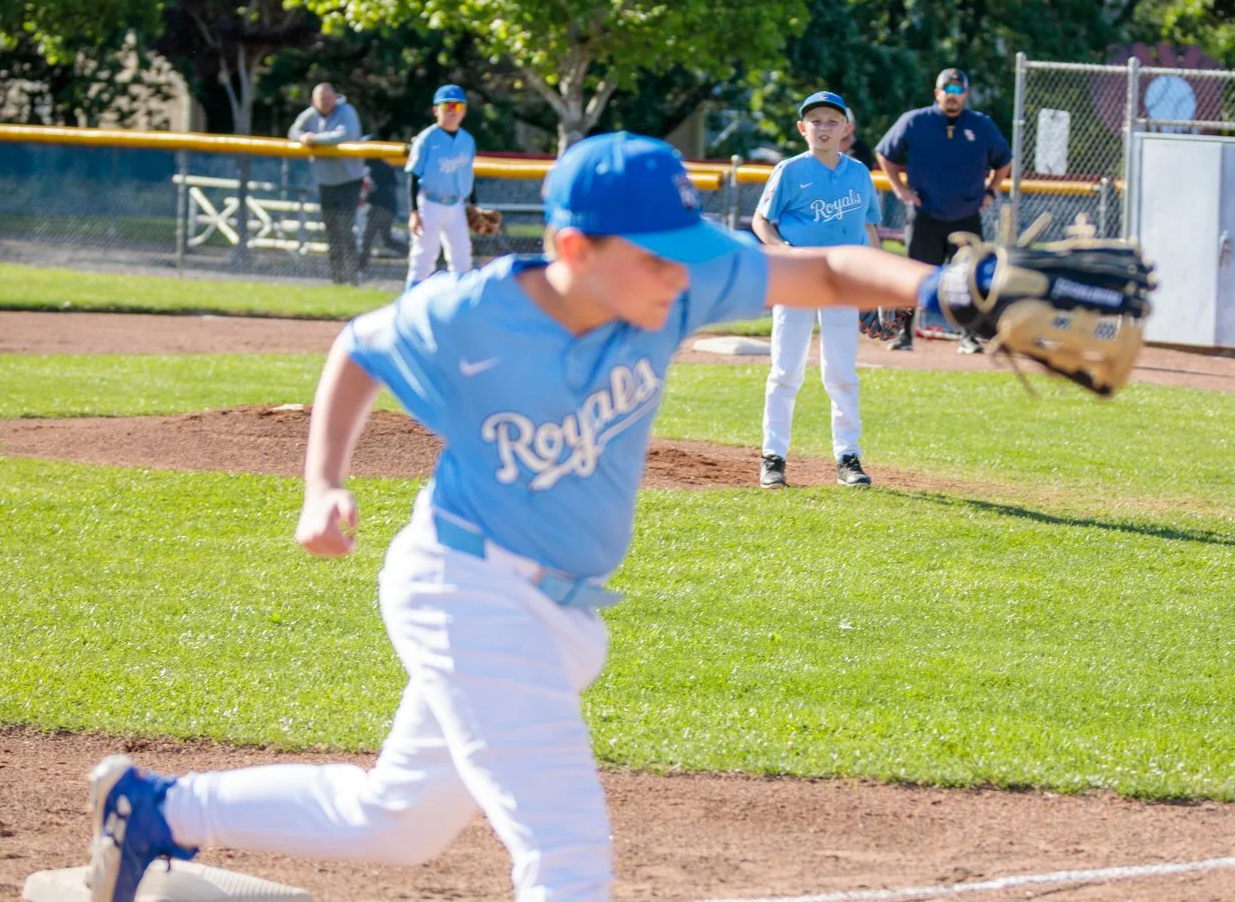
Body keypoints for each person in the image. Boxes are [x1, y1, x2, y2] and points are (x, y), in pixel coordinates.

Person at [80, 132, 965, 902]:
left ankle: (153, 810)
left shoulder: (671, 285)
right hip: (466, 590)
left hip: (553, 609)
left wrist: (950, 288)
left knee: (395, 823)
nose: (679, 271)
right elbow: (359, 346)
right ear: (575, 247)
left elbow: (827, 267)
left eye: (684, 249)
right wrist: (323, 484)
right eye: (656, 254)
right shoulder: (474, 314)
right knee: (567, 856)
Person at [753, 91, 882, 490]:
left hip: (841, 279)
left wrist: (878, 285)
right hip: (798, 278)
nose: (823, 128)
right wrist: (782, 251)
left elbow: (870, 229)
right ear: (801, 128)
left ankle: (848, 456)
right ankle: (773, 457)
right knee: (785, 370)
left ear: (846, 129)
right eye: (815, 121)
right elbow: (762, 220)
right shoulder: (790, 170)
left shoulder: (859, 173)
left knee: (841, 372)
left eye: (831, 121)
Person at [875, 67, 1012, 351]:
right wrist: (900, 189)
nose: (952, 96)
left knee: (971, 279)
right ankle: (905, 335)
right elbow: (885, 153)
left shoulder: (981, 125)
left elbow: (1004, 161)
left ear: (965, 94)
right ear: (936, 93)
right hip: (925, 214)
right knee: (914, 275)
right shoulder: (915, 121)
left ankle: (969, 337)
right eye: (947, 91)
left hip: (965, 216)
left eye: (957, 91)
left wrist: (991, 191)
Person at [288, 83, 367, 285]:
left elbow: (344, 134)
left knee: (345, 229)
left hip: (349, 180)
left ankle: (353, 277)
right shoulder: (311, 114)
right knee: (332, 231)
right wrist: (303, 137)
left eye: (328, 98)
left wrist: (314, 139)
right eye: (321, 99)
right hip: (326, 182)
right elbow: (293, 130)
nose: (325, 102)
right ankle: (338, 280)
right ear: (314, 101)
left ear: (335, 97)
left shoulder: (346, 111)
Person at [404, 84, 477, 291]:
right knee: (423, 257)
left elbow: (468, 174)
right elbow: (413, 175)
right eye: (448, 105)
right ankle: (409, 306)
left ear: (465, 111)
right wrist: (414, 212)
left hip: (457, 206)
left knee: (462, 258)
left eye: (458, 106)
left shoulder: (468, 140)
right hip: (430, 203)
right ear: (436, 110)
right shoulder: (426, 139)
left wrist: (473, 205)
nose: (453, 111)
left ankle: (461, 309)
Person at [357, 156, 408, 278]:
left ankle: (360, 268)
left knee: (368, 237)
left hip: (383, 207)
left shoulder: (378, 166)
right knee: (386, 239)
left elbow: (381, 188)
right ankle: (410, 253)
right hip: (381, 206)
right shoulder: (369, 164)